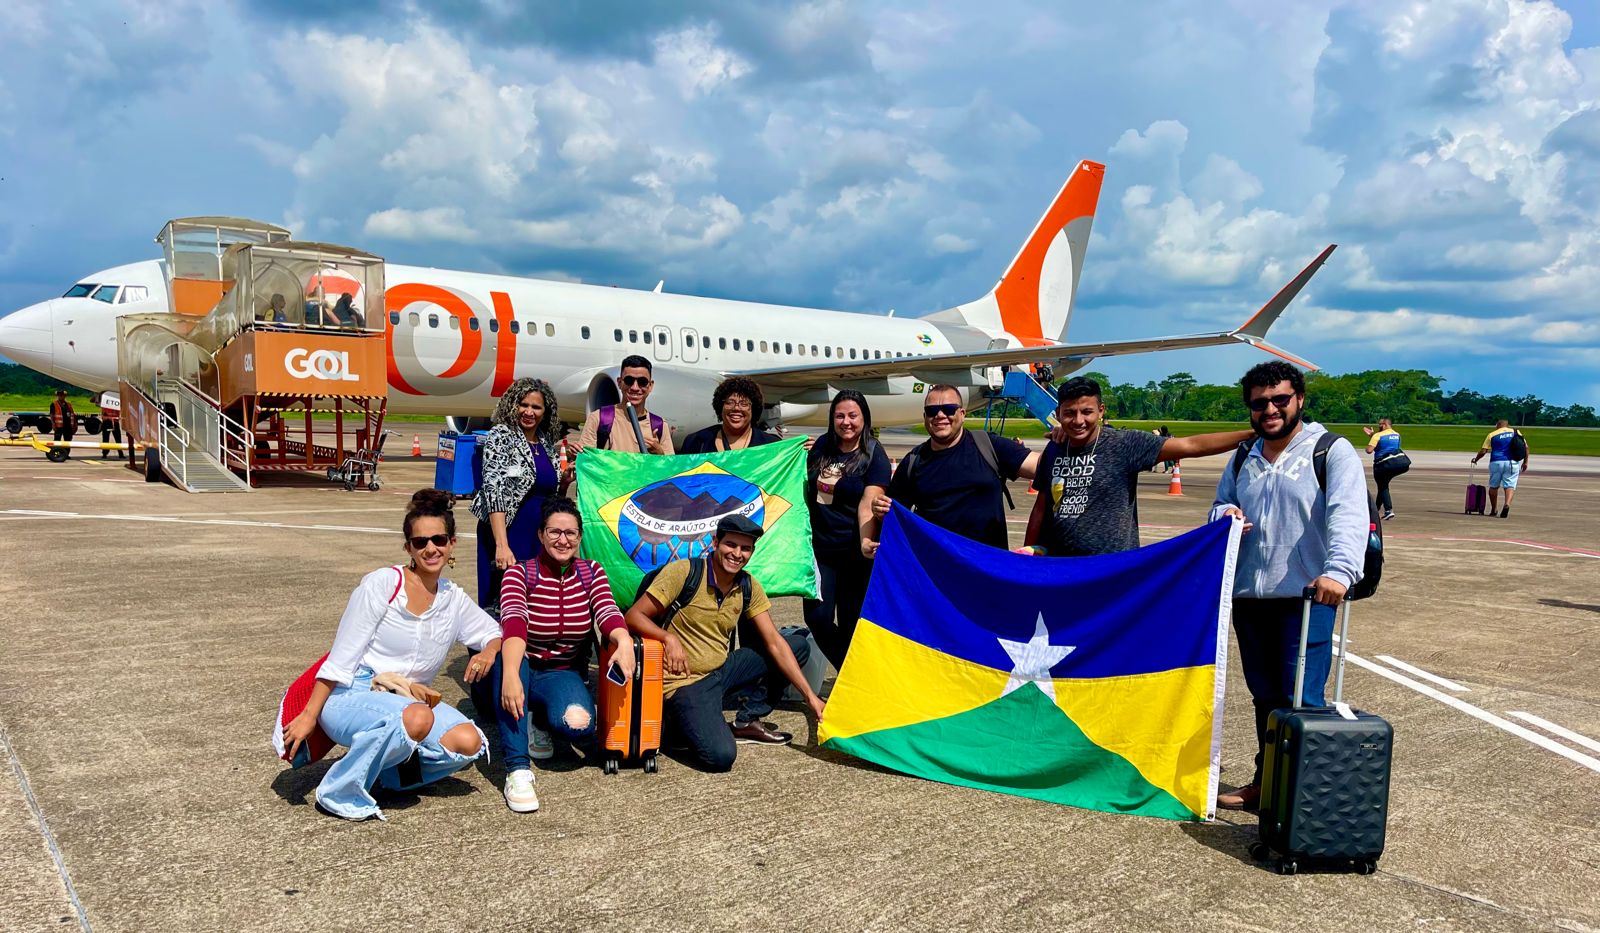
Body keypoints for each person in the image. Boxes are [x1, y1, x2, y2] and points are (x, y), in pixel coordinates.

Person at [279, 489, 502, 821]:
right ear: (407, 547)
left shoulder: (452, 598)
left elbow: (493, 632)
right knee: (417, 717)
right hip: (353, 694)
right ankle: (338, 789)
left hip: (407, 700)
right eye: (420, 542)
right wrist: (310, 715)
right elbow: (342, 657)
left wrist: (487, 652)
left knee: (468, 743)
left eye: (439, 539)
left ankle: (391, 776)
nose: (431, 548)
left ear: (452, 543)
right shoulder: (383, 584)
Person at [1208, 361, 1367, 811]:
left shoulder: (1330, 450)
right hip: (1250, 596)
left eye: (1280, 400)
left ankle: (1301, 792)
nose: (1270, 410)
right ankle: (1268, 781)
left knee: (1303, 697)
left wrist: (1339, 572)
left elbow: (1349, 515)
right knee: (1265, 695)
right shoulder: (1245, 456)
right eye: (1260, 404)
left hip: (1307, 596)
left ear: (1299, 399)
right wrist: (1226, 517)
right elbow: (1220, 504)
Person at [623, 515, 825, 772]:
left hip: (721, 671)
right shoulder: (685, 572)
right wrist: (668, 638)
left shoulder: (747, 585)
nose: (737, 554)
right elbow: (633, 617)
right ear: (715, 542)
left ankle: (746, 720)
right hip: (685, 683)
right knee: (720, 756)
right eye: (731, 545)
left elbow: (774, 641)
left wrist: (811, 698)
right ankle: (676, 724)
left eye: (745, 548)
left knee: (796, 646)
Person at [493, 498, 634, 813]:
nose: (563, 540)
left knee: (579, 725)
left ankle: (537, 716)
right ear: (541, 534)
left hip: (560, 670)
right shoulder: (520, 574)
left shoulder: (591, 572)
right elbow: (514, 623)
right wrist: (513, 676)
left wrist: (622, 638)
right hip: (524, 662)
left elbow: (607, 610)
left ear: (580, 538)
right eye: (555, 532)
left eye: (571, 533)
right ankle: (517, 769)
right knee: (507, 661)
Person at [1018, 377, 1253, 557]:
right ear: (1058, 414)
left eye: (1087, 412)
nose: (1078, 421)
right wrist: (1028, 552)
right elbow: (1041, 506)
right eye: (1069, 413)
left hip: (1114, 568)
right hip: (1062, 565)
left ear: (1101, 411)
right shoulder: (1054, 449)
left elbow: (1190, 445)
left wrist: (1252, 433)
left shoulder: (1124, 444)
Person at [863, 384, 1040, 553]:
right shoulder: (913, 462)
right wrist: (879, 511)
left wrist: (1064, 438)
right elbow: (892, 516)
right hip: (937, 571)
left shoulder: (988, 445)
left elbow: (1042, 466)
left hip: (986, 570)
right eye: (932, 411)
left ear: (962, 414)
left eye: (948, 409)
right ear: (925, 417)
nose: (940, 415)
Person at [803, 390, 891, 670]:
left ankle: (854, 681)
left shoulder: (873, 453)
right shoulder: (822, 447)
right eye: (839, 415)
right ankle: (854, 674)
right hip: (820, 551)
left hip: (854, 554)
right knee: (817, 618)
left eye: (853, 415)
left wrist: (866, 542)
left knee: (853, 623)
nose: (846, 422)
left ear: (864, 418)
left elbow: (869, 501)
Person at [470, 378, 570, 611]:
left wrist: (564, 484)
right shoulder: (502, 435)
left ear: (546, 412)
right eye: (523, 405)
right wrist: (502, 545)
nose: (529, 412)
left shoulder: (545, 443)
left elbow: (550, 494)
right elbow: (494, 490)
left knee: (534, 599)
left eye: (536, 407)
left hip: (538, 536)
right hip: (507, 532)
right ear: (512, 405)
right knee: (502, 600)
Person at [573, 355, 674, 455]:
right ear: (619, 383)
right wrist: (575, 456)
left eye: (642, 382)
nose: (635, 387)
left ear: (650, 386)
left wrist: (660, 454)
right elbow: (587, 464)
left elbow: (671, 469)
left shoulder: (660, 425)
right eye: (629, 381)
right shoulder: (598, 419)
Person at [679, 377, 781, 454]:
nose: (736, 408)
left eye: (744, 403)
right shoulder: (696, 442)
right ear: (720, 406)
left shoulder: (772, 446)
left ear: (753, 409)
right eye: (730, 402)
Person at [1472, 419, 1531, 518]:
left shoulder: (1492, 434)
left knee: (1493, 486)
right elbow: (1525, 447)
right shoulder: (1516, 432)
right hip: (1512, 462)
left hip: (1496, 462)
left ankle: (1494, 509)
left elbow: (1483, 451)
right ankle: (1507, 504)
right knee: (1510, 486)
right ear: (1507, 425)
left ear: (1497, 425)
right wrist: (1525, 462)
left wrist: (1476, 459)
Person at [1363, 417, 1410, 521]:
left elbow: (1369, 450)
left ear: (1384, 424)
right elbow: (1392, 447)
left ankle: (1388, 510)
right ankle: (1375, 510)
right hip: (1398, 464)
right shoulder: (1397, 435)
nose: (1379, 426)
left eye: (1380, 424)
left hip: (1382, 465)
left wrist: (1372, 437)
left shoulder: (1378, 435)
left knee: (1383, 486)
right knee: (1382, 486)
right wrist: (1372, 435)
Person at [96, 392, 123, 460]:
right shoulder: (105, 400)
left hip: (114, 421)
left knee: (118, 438)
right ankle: (105, 453)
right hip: (107, 421)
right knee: (105, 438)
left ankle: (120, 453)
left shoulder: (115, 399)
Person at [49, 390, 75, 456]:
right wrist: (53, 424)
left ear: (65, 396)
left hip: (68, 426)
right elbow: (52, 415)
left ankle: (66, 454)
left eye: (62, 395)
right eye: (59, 395)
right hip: (59, 426)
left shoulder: (68, 404)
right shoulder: (54, 404)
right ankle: (56, 454)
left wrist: (74, 425)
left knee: (67, 441)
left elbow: (72, 414)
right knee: (57, 441)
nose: (60, 396)